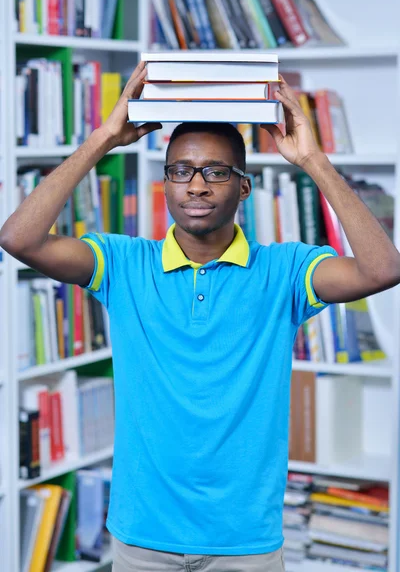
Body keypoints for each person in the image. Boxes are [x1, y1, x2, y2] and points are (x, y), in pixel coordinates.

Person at [1, 61, 399, 572]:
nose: (196, 185)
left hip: (246, 542)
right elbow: (18, 238)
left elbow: (383, 268)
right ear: (165, 183)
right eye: (181, 171)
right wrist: (103, 137)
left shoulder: (284, 270)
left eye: (216, 172)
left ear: (244, 187)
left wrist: (314, 161)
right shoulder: (124, 264)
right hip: (142, 537)